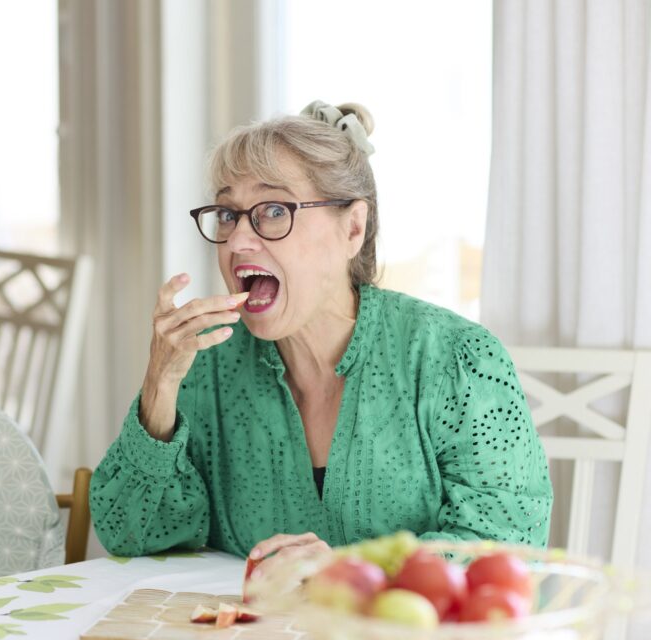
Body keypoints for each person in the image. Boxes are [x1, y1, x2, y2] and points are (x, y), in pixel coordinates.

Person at [89, 101, 553, 576]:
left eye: (272, 210)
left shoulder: (455, 358)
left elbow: (507, 545)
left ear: (353, 228)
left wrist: (351, 574)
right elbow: (131, 534)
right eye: (227, 215)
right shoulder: (206, 365)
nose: (236, 242)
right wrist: (159, 388)